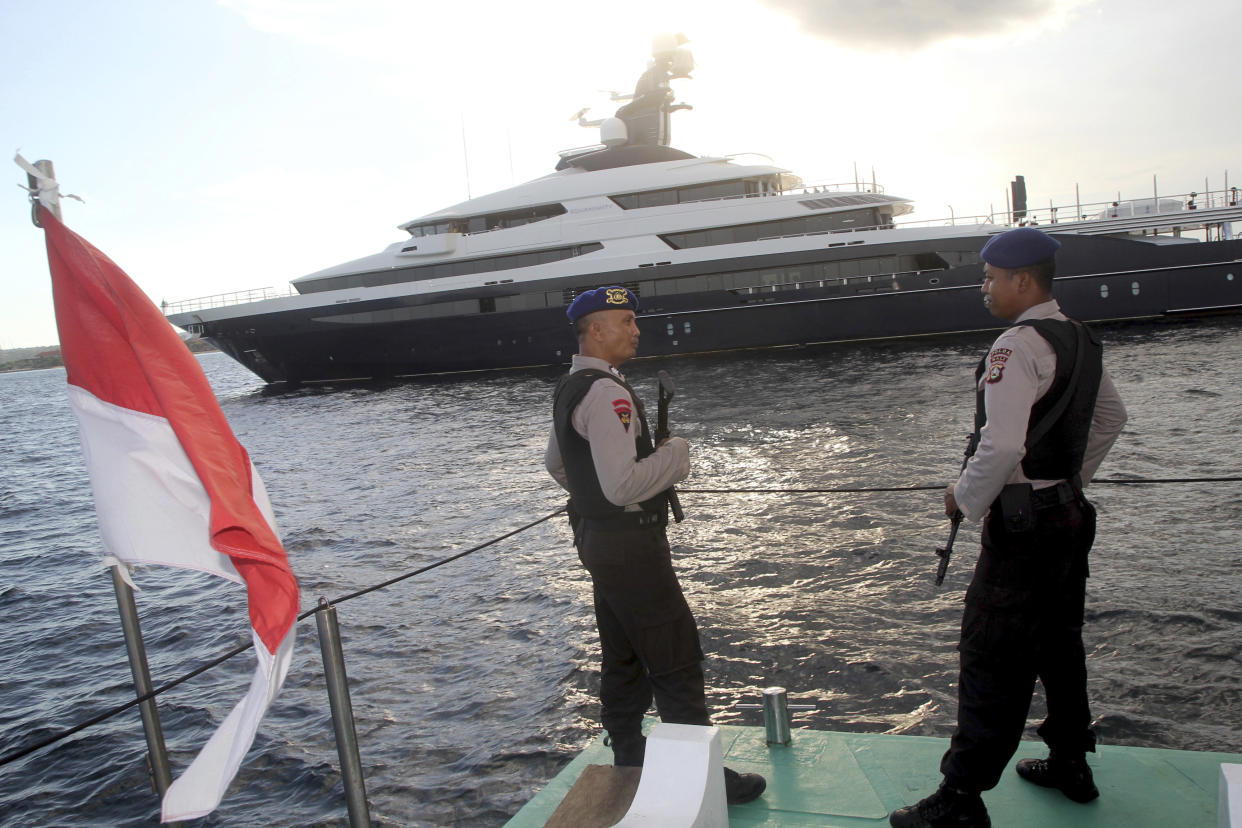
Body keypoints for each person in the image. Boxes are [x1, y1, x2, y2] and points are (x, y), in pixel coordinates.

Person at [890, 228, 1127, 828]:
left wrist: (963, 499)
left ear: (1023, 281)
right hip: (1069, 515)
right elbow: (1111, 417)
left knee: (992, 652)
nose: (985, 288)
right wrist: (1067, 480)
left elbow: (1000, 446)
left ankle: (961, 799)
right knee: (1059, 641)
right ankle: (1072, 762)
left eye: (991, 278)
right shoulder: (1079, 337)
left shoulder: (1015, 346)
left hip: (1022, 529)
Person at [544, 285, 766, 806]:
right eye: (626, 321)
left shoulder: (572, 385)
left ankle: (629, 755)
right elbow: (622, 484)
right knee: (674, 655)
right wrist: (677, 455)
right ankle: (700, 774)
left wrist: (597, 504)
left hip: (598, 541)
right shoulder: (608, 393)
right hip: (631, 546)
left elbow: (557, 465)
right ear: (596, 330)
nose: (636, 329)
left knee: (623, 653)